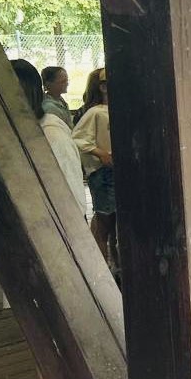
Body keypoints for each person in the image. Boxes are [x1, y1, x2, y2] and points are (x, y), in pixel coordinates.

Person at [3, 60, 81, 379]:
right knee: (41, 339)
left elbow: (71, 199)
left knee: (52, 339)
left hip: (52, 251)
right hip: (25, 250)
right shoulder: (17, 132)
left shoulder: (50, 133)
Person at [72, 68, 117, 268]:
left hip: (114, 172)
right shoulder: (96, 112)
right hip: (104, 173)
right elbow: (78, 138)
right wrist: (101, 153)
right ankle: (102, 267)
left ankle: (115, 265)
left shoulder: (110, 110)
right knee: (104, 223)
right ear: (103, 87)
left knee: (114, 225)